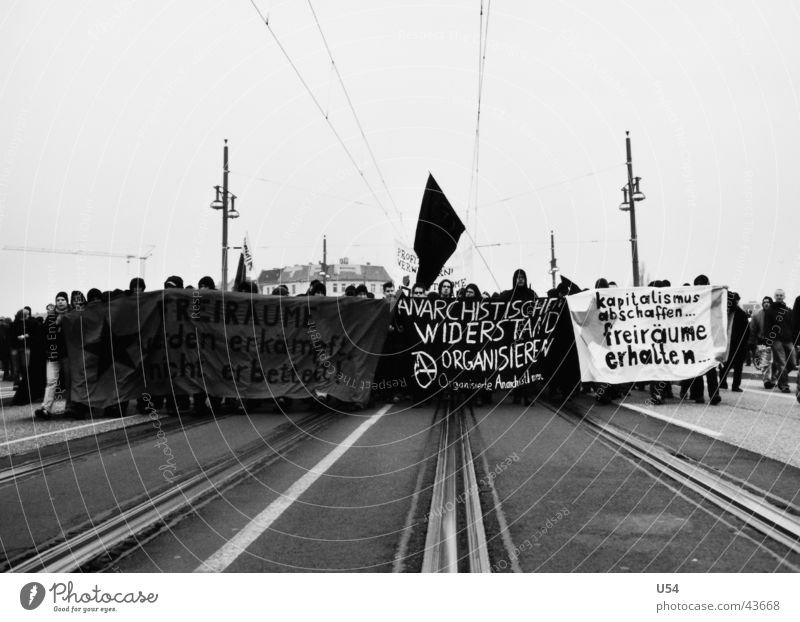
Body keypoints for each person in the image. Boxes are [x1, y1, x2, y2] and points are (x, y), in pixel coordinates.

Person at [683, 275, 720, 405]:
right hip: (708, 339)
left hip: (694, 339)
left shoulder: (689, 300)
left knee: (697, 367)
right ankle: (714, 394)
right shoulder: (712, 298)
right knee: (710, 368)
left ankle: (698, 395)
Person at [35, 292, 72, 419]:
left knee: (69, 381)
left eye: (62, 299)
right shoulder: (50, 316)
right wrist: (55, 323)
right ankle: (46, 408)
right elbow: (43, 334)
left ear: (67, 301)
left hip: (68, 353)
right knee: (51, 381)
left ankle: (69, 407)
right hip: (53, 353)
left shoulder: (72, 314)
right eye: (58, 300)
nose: (60, 302)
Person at [765, 288, 796, 393]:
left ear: (784, 297)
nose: (779, 297)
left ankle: (778, 376)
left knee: (793, 362)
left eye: (781, 295)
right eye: (777, 295)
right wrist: (768, 341)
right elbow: (767, 327)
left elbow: (793, 326)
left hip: (788, 340)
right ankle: (784, 385)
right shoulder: (770, 310)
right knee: (782, 363)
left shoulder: (788, 310)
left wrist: (795, 340)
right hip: (776, 340)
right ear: (774, 296)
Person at [719, 292, 749, 392]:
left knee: (727, 364)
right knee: (737, 366)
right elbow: (747, 331)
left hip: (732, 343)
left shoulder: (726, 312)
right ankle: (735, 385)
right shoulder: (741, 313)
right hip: (738, 343)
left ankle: (724, 383)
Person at [749, 296, 774, 388]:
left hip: (775, 342)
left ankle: (773, 379)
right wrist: (751, 343)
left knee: (774, 363)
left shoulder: (776, 315)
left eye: (768, 302)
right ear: (762, 303)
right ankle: (766, 381)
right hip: (762, 342)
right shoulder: (757, 315)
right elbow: (752, 330)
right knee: (765, 363)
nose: (766, 303)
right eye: (764, 302)